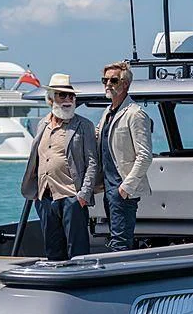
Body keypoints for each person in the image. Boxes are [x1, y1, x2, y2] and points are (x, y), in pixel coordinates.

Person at [21, 73, 98, 261]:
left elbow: (92, 162)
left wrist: (83, 195)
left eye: (71, 96)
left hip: (72, 197)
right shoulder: (42, 124)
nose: (68, 100)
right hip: (45, 198)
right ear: (51, 98)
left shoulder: (84, 125)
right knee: (53, 252)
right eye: (62, 95)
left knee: (78, 253)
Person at [95, 61, 152, 251]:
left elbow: (144, 156)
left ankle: (118, 277)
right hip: (108, 188)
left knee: (120, 243)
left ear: (125, 84)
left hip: (122, 189)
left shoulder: (136, 114)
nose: (108, 84)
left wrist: (126, 188)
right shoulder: (108, 113)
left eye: (113, 80)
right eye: (105, 80)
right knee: (113, 238)